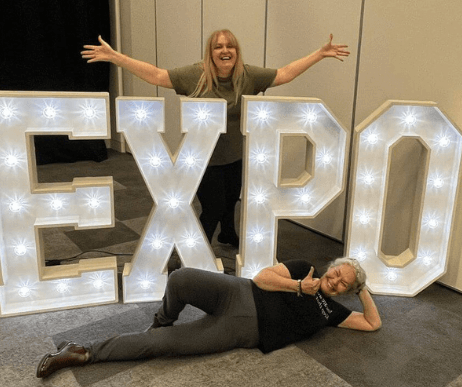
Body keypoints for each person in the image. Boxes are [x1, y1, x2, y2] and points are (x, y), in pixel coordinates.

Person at [81, 30, 350, 247]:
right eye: (218, 46)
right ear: (210, 53)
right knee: (213, 206)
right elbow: (157, 75)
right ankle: (194, 251)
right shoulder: (196, 75)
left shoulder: (247, 75)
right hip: (202, 158)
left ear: (236, 51)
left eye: (229, 46)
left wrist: (319, 54)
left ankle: (227, 235)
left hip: (235, 154)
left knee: (232, 198)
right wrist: (117, 58)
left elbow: (283, 74)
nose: (224, 50)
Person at [36, 258, 381, 378]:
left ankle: (82, 352)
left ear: (345, 291)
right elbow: (261, 278)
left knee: (163, 345)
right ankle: (163, 317)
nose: (336, 282)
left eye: (344, 285)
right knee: (181, 278)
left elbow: (371, 323)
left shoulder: (333, 312)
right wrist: (297, 287)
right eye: (338, 274)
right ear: (331, 267)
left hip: (243, 329)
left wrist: (363, 287)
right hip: (238, 291)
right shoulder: (303, 268)